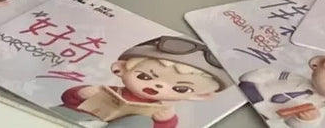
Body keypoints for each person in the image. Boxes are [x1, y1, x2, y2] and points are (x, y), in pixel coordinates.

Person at [60, 36, 230, 128]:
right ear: (120, 68)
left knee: (141, 122)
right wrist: (80, 94)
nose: (158, 85)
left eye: (180, 88)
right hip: (75, 121)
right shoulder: (109, 91)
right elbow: (68, 100)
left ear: (201, 96)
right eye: (145, 77)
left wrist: (164, 121)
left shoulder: (162, 109)